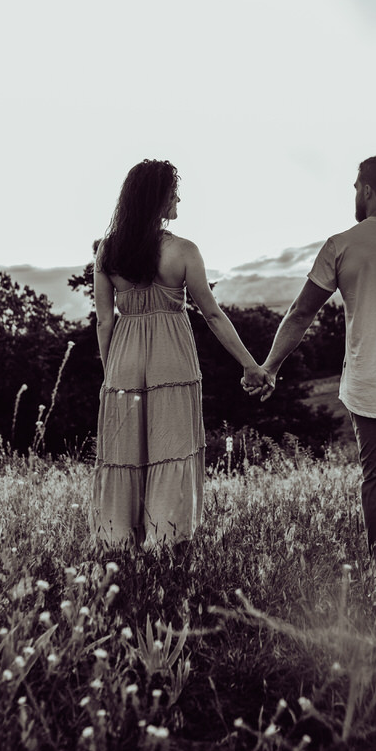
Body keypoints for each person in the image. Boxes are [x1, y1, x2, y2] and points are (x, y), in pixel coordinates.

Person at [249, 155, 376, 588]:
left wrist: (270, 365)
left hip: (368, 387)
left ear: (366, 189)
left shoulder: (341, 245)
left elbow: (301, 313)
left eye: (354, 187)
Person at [91, 159, 272, 548]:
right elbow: (212, 314)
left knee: (125, 453)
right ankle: (164, 542)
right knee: (171, 448)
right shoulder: (184, 250)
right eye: (174, 193)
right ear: (158, 198)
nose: (178, 200)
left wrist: (112, 375)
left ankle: (118, 541)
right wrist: (250, 365)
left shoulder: (108, 250)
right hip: (171, 360)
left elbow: (104, 322)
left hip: (123, 361)